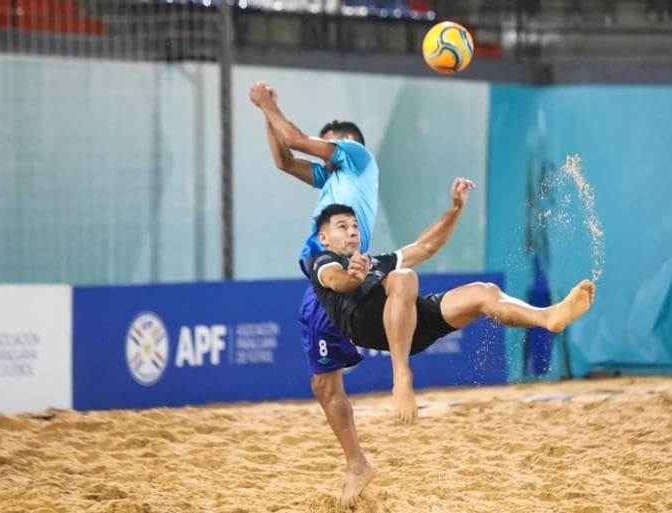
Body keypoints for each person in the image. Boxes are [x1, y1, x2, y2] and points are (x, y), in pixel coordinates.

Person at [309, 186, 597, 425]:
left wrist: (456, 208)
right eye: (342, 227)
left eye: (355, 226)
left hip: (409, 322)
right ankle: (401, 376)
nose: (352, 231)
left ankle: (548, 317)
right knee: (404, 277)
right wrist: (352, 276)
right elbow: (336, 281)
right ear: (324, 238)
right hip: (364, 322)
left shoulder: (374, 262)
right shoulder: (323, 262)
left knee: (483, 293)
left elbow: (426, 247)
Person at [249, 81, 381, 507]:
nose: (320, 151)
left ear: (347, 145)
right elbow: (285, 159)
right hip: (321, 275)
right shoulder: (333, 179)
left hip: (337, 272)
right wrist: (268, 112)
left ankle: (357, 463)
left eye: (327, 146)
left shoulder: (358, 158)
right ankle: (357, 462)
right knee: (323, 384)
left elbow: (294, 140)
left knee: (325, 383)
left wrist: (267, 103)